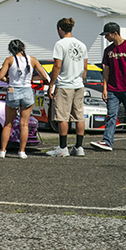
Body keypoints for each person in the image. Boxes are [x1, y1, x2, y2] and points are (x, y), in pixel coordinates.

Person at [0, 39, 49, 159]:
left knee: (8, 124)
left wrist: (9, 80)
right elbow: (44, 76)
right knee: (24, 124)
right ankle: (22, 151)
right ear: (23, 47)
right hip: (27, 91)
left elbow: (0, 76)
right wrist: (32, 78)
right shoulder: (33, 60)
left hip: (13, 89)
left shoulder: (9, 60)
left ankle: (2, 151)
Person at [90, 22, 126, 152]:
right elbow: (106, 70)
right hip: (113, 89)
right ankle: (107, 142)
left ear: (115, 33)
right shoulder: (108, 50)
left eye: (107, 35)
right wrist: (105, 88)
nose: (106, 37)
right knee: (111, 116)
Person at [46, 18, 88, 157]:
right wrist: (81, 80)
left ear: (59, 29)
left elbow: (57, 65)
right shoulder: (82, 44)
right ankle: (79, 147)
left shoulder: (60, 44)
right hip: (78, 85)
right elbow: (85, 67)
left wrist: (51, 84)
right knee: (79, 116)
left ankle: (63, 147)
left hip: (64, 84)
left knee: (62, 116)